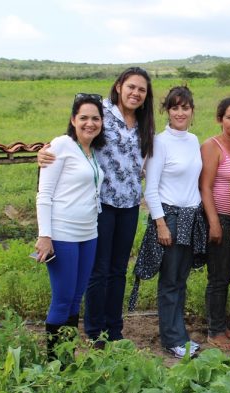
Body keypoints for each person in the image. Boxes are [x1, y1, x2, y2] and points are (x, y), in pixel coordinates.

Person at [38, 67, 155, 344]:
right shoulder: (101, 112)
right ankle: (94, 330)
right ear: (118, 87)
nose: (135, 93)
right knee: (98, 270)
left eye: (141, 89)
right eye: (131, 87)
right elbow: (75, 136)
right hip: (100, 204)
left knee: (118, 269)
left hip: (129, 204)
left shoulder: (144, 123)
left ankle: (114, 329)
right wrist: (44, 153)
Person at [35, 93, 105, 359]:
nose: (90, 123)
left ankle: (68, 357)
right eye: (84, 117)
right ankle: (55, 363)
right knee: (63, 299)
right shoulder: (62, 145)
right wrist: (45, 235)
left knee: (77, 299)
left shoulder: (92, 151)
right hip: (62, 233)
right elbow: (44, 194)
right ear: (73, 120)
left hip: (89, 233)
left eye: (95, 118)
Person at [140, 86, 206, 358]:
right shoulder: (159, 142)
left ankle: (180, 335)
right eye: (175, 107)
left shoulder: (193, 140)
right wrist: (161, 224)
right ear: (166, 110)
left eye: (185, 107)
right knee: (169, 282)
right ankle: (172, 339)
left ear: (192, 111)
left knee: (180, 280)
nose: (180, 112)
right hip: (172, 218)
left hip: (192, 218)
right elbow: (150, 188)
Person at [200, 97, 230, 351]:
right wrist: (214, 222)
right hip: (221, 217)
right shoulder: (212, 145)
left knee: (228, 274)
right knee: (218, 276)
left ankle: (221, 325)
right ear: (220, 119)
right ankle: (215, 330)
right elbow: (205, 187)